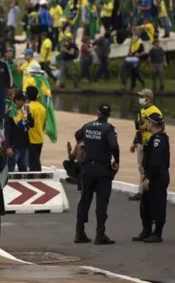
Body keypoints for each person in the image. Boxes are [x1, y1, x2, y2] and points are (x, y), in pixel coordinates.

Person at [73, 104, 119, 245]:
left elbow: (77, 134)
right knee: (101, 203)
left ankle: (79, 233)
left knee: (85, 200)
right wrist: (117, 160)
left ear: (97, 113)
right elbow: (113, 145)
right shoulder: (109, 128)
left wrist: (82, 145)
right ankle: (100, 234)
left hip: (87, 168)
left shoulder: (88, 126)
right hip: (102, 169)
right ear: (108, 115)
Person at [133, 113, 170, 243]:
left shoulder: (159, 140)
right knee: (145, 206)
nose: (146, 124)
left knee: (158, 205)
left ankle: (157, 233)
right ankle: (146, 230)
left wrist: (147, 178)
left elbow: (155, 162)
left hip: (157, 178)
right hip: (150, 176)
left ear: (153, 124)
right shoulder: (154, 139)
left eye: (148, 122)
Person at [129, 89, 162, 201]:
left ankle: (146, 190)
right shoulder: (142, 111)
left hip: (150, 143)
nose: (141, 99)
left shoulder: (155, 111)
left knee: (149, 167)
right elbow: (139, 129)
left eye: (143, 96)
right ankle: (142, 189)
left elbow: (161, 127)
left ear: (149, 98)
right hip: (141, 143)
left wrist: (145, 128)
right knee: (141, 168)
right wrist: (134, 143)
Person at [3, 92, 33, 172]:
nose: (22, 102)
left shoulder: (24, 112)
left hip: (24, 145)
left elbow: (32, 125)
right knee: (10, 169)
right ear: (15, 101)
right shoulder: (10, 113)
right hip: (14, 146)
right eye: (20, 100)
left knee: (23, 169)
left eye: (24, 101)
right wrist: (8, 146)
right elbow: (7, 131)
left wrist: (29, 114)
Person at [25, 86, 46, 171]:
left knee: (33, 163)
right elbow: (44, 124)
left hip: (30, 139)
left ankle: (37, 178)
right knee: (36, 159)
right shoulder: (42, 108)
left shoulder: (27, 107)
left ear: (27, 96)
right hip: (40, 138)